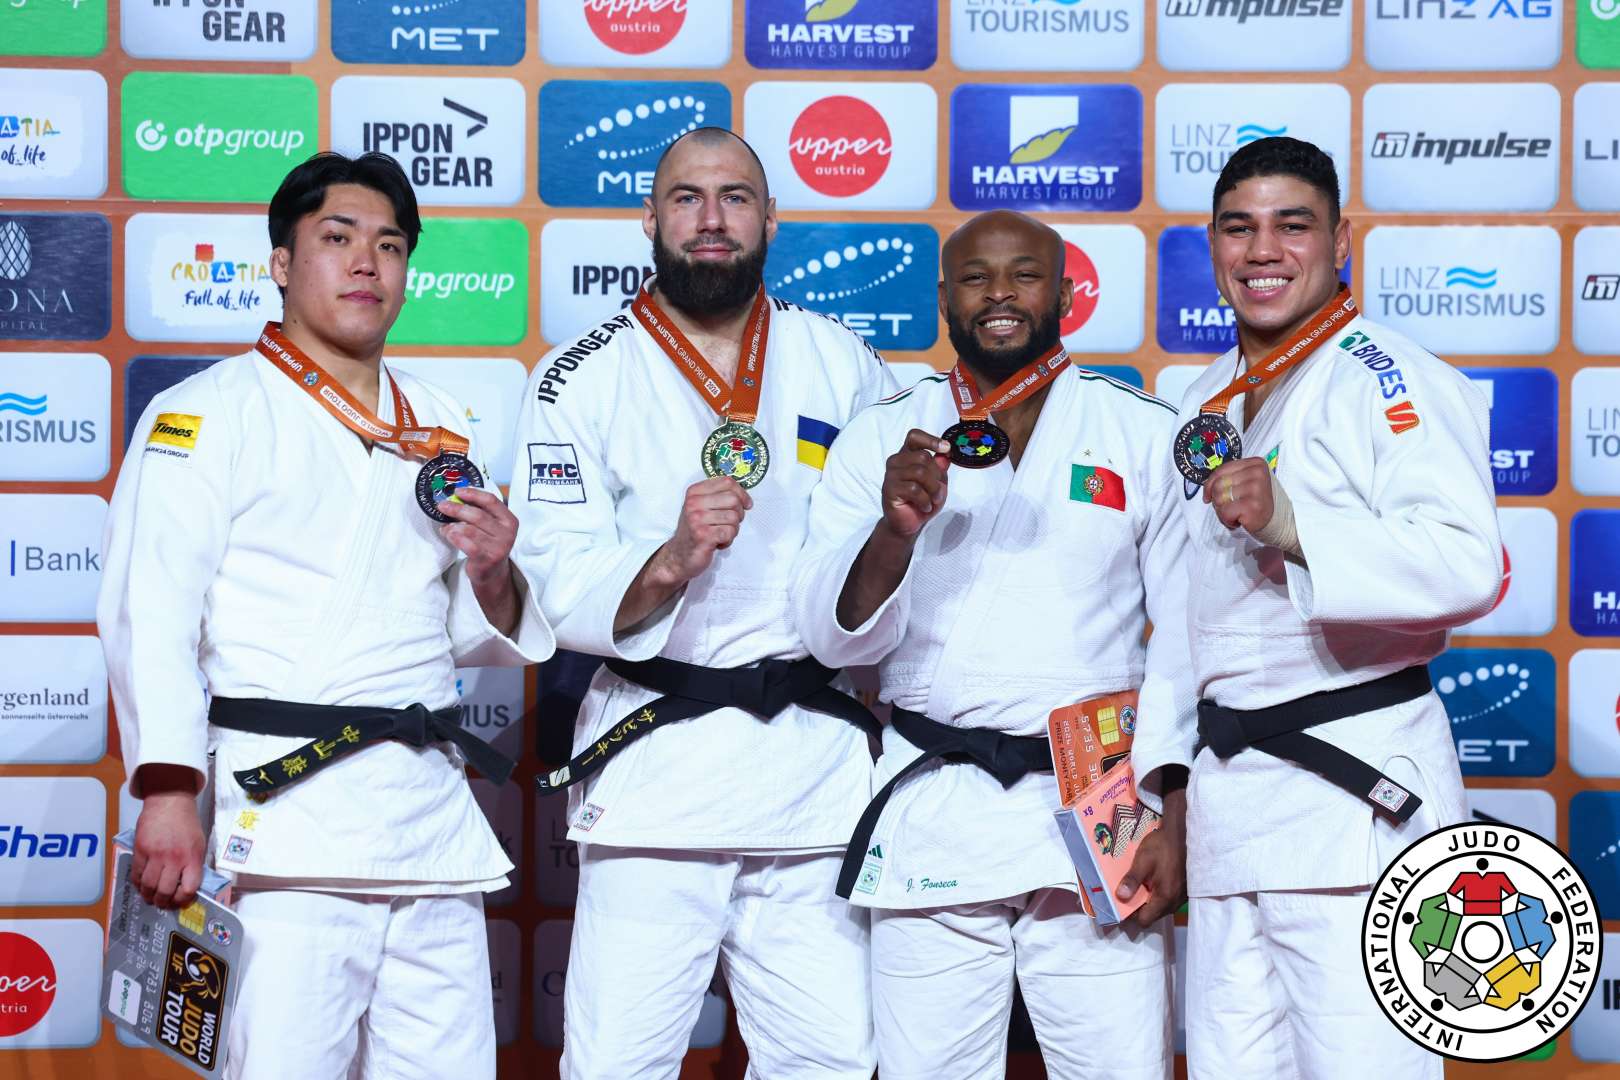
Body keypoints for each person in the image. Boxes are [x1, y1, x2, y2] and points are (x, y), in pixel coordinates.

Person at [98, 151, 554, 1080]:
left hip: (426, 825)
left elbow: (453, 627)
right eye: (337, 239)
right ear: (279, 262)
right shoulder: (206, 413)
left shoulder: (439, 423)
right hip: (284, 824)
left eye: (389, 246)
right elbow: (151, 612)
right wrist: (170, 790)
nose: (365, 264)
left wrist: (496, 569)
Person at [508, 128, 897, 1076]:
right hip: (658, 772)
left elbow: (889, 555)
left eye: (734, 197)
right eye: (687, 198)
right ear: (649, 219)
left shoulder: (840, 360)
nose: (711, 219)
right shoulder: (577, 377)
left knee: (834, 1065)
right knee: (617, 1065)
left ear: (772, 218)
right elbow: (550, 578)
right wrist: (669, 561)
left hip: (812, 775)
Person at [791, 209, 1195, 1078]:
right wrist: (894, 530)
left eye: (1024, 274)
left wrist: (1175, 809)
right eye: (976, 278)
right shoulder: (879, 438)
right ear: (943, 298)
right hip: (937, 798)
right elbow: (828, 636)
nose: (1001, 295)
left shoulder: (1142, 432)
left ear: (1065, 293)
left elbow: (1188, 641)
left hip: (1102, 802)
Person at [1173, 137, 1503, 1079]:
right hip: (1232, 804)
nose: (1263, 249)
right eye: (1240, 227)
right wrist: (1167, 784)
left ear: (1342, 241)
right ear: (1212, 246)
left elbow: (1466, 563)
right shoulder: (1204, 398)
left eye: (1293, 225)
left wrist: (1295, 524)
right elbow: (1185, 614)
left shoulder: (1391, 379)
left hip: (1356, 800)